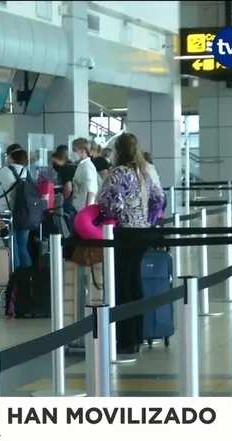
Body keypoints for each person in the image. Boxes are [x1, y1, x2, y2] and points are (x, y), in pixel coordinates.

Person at [96, 133, 165, 354]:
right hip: (143, 233)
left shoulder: (119, 173)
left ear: (117, 150)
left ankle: (125, 339)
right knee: (135, 282)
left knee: (121, 283)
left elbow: (108, 202)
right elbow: (159, 199)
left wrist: (117, 216)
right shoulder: (144, 172)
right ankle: (139, 333)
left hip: (124, 233)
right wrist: (149, 220)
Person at [0, 144, 33, 269]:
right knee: (22, 246)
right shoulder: (26, 172)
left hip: (6, 214)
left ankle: (14, 279)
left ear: (11, 157)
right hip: (25, 214)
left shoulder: (4, 171)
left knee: (12, 246)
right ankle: (28, 278)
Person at [70, 138, 100, 213]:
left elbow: (91, 191)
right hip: (78, 209)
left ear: (83, 151)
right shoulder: (81, 165)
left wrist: (87, 212)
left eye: (74, 150)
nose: (72, 153)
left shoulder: (88, 167)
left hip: (83, 211)